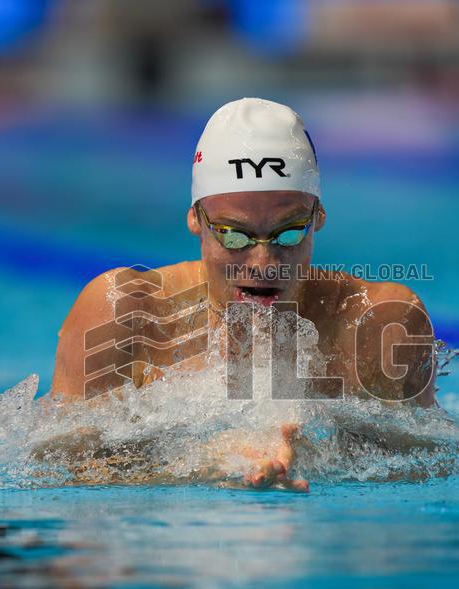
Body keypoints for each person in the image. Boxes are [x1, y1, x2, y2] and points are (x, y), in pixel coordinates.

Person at [50, 98, 438, 491]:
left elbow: (435, 465)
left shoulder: (380, 322)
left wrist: (320, 458)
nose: (264, 263)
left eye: (289, 233)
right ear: (195, 219)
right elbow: (54, 468)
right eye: (234, 236)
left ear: (318, 216)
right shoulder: (126, 312)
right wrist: (200, 463)